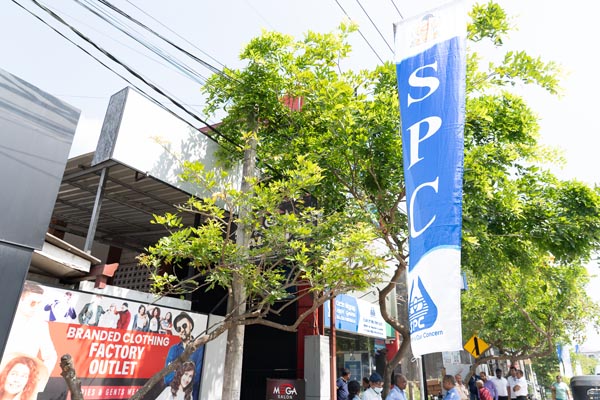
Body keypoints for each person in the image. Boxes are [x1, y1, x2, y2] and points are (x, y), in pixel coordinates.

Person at [3, 282, 57, 383]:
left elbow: (50, 356)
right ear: (20, 300)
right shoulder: (5, 319)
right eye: (32, 303)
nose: (36, 307)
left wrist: (38, 380)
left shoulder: (41, 326)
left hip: (23, 382)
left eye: (39, 304)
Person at [164, 312, 204, 400]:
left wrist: (177, 372)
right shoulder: (173, 350)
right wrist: (187, 374)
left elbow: (197, 378)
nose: (182, 330)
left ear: (191, 326)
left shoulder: (200, 349)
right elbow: (167, 378)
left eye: (184, 326)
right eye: (178, 329)